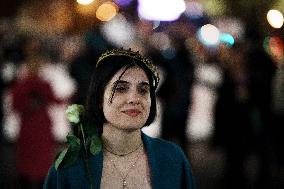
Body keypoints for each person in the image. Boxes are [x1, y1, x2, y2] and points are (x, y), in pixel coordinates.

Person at [43, 48, 196, 189]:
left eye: (143, 90)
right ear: (99, 99)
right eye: (121, 88)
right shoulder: (70, 166)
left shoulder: (172, 159)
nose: (134, 98)